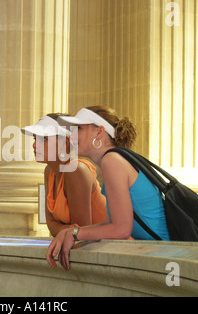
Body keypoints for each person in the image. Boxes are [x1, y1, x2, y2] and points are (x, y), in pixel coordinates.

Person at [46, 106, 170, 270]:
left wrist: (75, 233)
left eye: (78, 129)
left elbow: (121, 230)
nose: (72, 135)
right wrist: (69, 233)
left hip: (166, 255)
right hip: (159, 253)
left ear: (99, 132)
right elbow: (109, 224)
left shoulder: (112, 161)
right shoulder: (116, 158)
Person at [21, 113, 107, 237]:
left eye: (44, 138)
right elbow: (51, 225)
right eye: (35, 138)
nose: (34, 145)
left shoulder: (76, 170)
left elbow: (81, 233)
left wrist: (65, 229)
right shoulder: (49, 171)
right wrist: (68, 229)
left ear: (64, 142)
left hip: (110, 249)